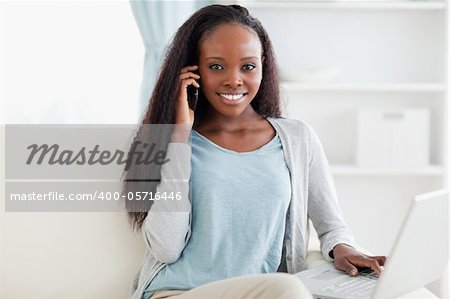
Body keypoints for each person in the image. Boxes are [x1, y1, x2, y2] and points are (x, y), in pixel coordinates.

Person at [125, 4, 387, 299]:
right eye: (216, 66)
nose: (234, 79)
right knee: (288, 288)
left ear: (263, 65)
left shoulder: (298, 139)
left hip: (261, 294)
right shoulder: (171, 142)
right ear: (192, 71)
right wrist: (179, 137)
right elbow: (166, 248)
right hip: (177, 292)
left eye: (247, 66)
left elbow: (332, 226)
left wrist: (343, 249)